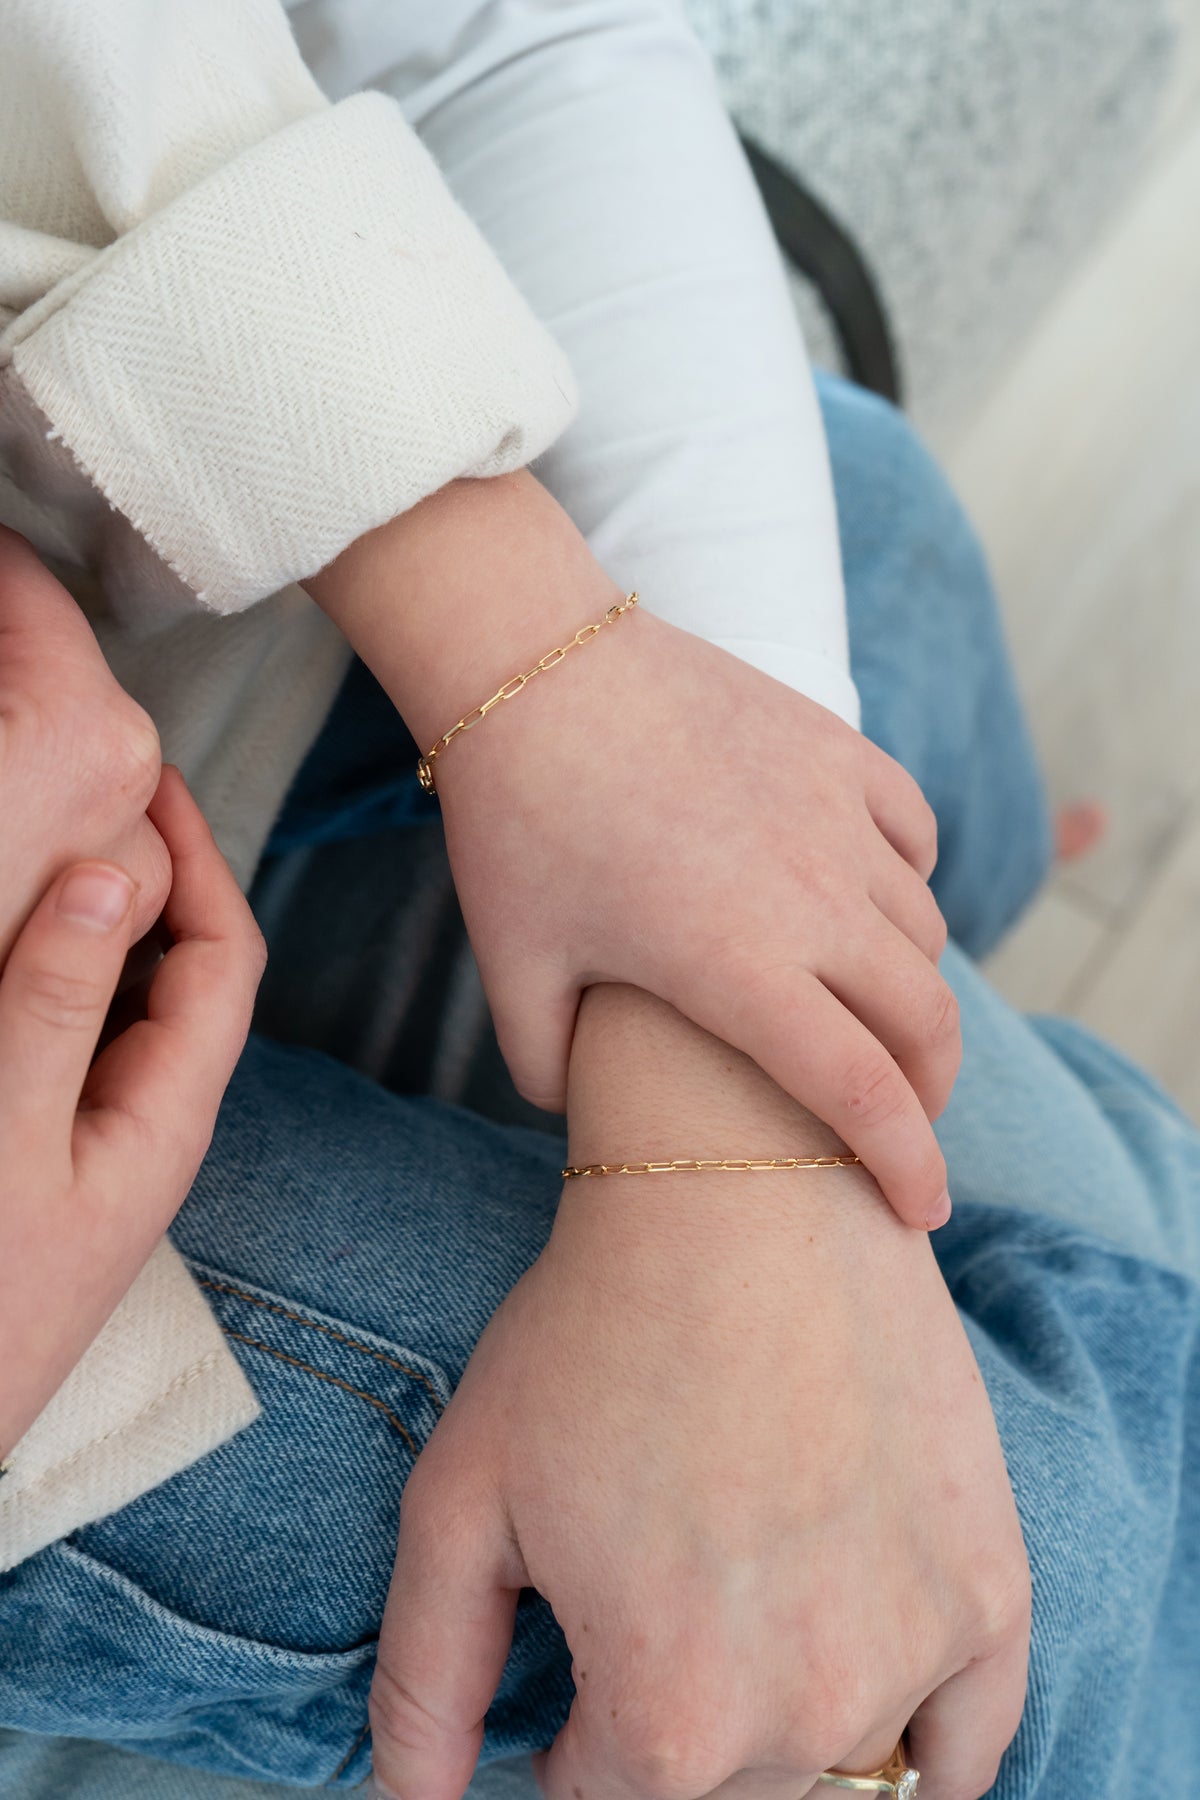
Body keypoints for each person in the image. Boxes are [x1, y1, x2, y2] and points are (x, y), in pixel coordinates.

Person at [0, 3, 1195, 1799]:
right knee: (1054, 1568)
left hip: (141, 661)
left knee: (878, 546)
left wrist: (734, 1117)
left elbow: (500, 38)